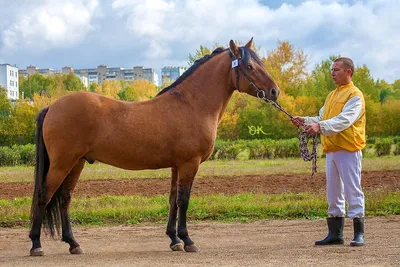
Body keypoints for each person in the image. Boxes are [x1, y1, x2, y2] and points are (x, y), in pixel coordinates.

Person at [291, 57, 366, 246]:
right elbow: (321, 117)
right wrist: (306, 120)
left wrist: (319, 125)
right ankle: (335, 234)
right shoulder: (332, 95)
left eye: (337, 70)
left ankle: (359, 234)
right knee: (333, 193)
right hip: (331, 150)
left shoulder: (355, 96)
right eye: (332, 69)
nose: (333, 73)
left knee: (352, 190)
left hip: (349, 149)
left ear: (348, 72)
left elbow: (344, 120)